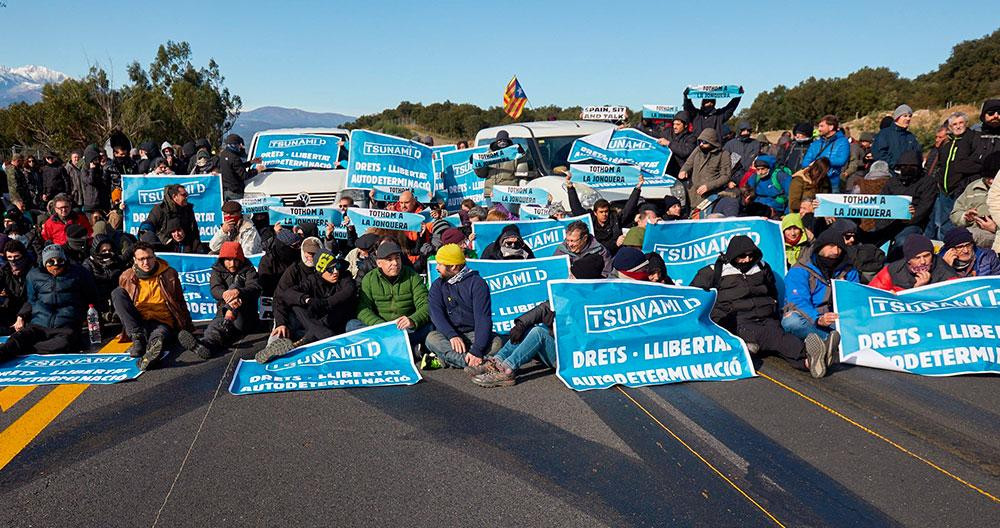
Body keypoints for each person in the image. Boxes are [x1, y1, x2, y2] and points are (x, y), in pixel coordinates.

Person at [690, 235, 828, 378]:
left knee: (780, 337)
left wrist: (774, 309)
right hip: (735, 319)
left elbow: (771, 290)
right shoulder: (714, 271)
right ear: (732, 255)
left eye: (750, 256)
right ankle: (749, 346)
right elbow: (694, 296)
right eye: (742, 256)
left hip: (765, 316)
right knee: (769, 337)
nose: (747, 260)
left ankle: (808, 361)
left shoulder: (761, 266)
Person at [470, 253, 606, 388]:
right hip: (562, 347)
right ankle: (497, 360)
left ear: (583, 280)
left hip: (572, 358)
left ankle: (506, 370)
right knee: (528, 327)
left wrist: (556, 322)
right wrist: (521, 323)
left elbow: (576, 334)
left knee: (539, 332)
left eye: (572, 276)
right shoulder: (572, 291)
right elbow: (545, 307)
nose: (568, 278)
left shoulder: (597, 301)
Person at [112, 242, 198, 370]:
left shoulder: (169, 274)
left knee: (159, 336)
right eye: (141, 259)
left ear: (155, 257)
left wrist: (187, 327)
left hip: (162, 321)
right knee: (117, 293)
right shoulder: (127, 276)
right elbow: (124, 307)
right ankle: (138, 341)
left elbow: (180, 301)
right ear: (135, 260)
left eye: (149, 258)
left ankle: (152, 354)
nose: (146, 263)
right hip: (139, 321)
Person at [782, 229, 858, 357]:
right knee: (791, 322)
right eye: (831, 246)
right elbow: (797, 302)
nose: (836, 252)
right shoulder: (800, 270)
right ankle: (830, 341)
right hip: (810, 317)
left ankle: (828, 343)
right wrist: (818, 319)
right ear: (820, 247)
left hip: (836, 317)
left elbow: (856, 299)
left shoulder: (848, 270)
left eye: (840, 247)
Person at [348, 241, 432, 355]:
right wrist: (380, 326)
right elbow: (363, 309)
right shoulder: (369, 279)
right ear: (379, 263)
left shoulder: (413, 276)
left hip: (406, 329)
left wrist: (412, 320)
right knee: (352, 325)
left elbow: (426, 304)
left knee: (431, 326)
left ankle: (386, 349)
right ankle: (408, 350)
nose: (395, 263)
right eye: (389, 259)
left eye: (397, 258)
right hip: (381, 331)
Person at [425, 244, 501, 370]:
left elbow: (483, 319)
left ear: (453, 266)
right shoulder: (437, 285)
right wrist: (451, 335)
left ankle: (449, 360)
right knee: (431, 339)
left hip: (473, 334)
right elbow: (436, 315)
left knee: (497, 343)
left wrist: (477, 349)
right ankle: (476, 364)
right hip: (449, 336)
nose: (437, 268)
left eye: (440, 264)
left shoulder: (477, 283)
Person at [191, 241, 262, 359]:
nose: (232, 263)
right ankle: (205, 345)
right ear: (223, 260)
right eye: (228, 260)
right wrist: (225, 294)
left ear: (241, 259)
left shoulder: (249, 269)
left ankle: (227, 321)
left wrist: (238, 292)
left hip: (245, 317)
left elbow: (255, 287)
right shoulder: (217, 270)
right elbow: (215, 289)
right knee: (216, 329)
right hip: (224, 314)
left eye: (235, 260)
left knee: (235, 287)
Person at [926, 112, 982, 239]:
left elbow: (978, 163)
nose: (958, 126)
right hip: (945, 191)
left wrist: (961, 170)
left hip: (962, 190)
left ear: (966, 124)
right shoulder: (947, 146)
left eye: (961, 123)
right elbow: (941, 166)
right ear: (950, 128)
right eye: (954, 124)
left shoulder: (974, 139)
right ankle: (945, 251)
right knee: (943, 224)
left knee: (960, 223)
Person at [871, 151, 936, 249]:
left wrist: (912, 215)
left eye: (912, 166)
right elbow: (882, 203)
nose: (908, 169)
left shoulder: (927, 182)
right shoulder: (892, 182)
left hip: (912, 223)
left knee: (902, 242)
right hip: (889, 221)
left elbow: (925, 207)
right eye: (904, 166)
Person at [567, 172, 642, 255]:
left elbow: (629, 209)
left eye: (606, 211)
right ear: (595, 213)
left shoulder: (615, 219)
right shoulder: (590, 220)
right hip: (592, 255)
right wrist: (570, 188)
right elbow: (576, 209)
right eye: (601, 212)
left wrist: (637, 188)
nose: (604, 214)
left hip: (613, 254)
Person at [869, 234, 957, 292]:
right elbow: (871, 294)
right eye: (917, 258)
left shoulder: (946, 273)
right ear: (908, 260)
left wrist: (921, 290)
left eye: (927, 256)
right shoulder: (893, 270)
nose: (923, 262)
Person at [949, 157, 997, 248]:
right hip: (971, 233)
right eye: (987, 177)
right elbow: (955, 213)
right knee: (953, 237)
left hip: (994, 237)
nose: (991, 181)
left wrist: (994, 228)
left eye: (994, 178)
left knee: (967, 237)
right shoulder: (973, 187)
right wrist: (965, 217)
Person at [679, 128, 730, 210]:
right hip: (693, 194)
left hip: (710, 196)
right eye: (700, 141)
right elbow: (688, 163)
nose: (701, 144)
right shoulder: (697, 150)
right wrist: (683, 170)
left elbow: (726, 176)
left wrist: (709, 186)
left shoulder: (723, 154)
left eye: (705, 142)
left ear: (712, 142)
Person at [143, 184, 204, 253]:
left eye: (187, 194)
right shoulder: (159, 209)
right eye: (184, 195)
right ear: (175, 197)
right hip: (163, 247)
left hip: (186, 248)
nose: (187, 197)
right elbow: (148, 226)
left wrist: (198, 249)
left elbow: (194, 232)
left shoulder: (188, 209)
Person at [83, 234, 126, 322]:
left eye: (109, 250)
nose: (107, 253)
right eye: (104, 251)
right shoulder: (88, 264)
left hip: (115, 299)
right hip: (97, 301)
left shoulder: (116, 261)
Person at [801, 115, 850, 192]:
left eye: (822, 126)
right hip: (815, 181)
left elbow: (841, 160)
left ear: (831, 127)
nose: (819, 129)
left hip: (833, 182)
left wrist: (821, 162)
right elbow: (805, 162)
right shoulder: (815, 143)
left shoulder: (842, 142)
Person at [474, 130, 525, 197]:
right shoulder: (489, 155)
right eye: (500, 140)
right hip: (490, 192)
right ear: (496, 142)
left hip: (507, 193)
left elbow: (523, 168)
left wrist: (522, 153)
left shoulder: (514, 154)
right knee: (492, 208)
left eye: (504, 140)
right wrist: (478, 165)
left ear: (508, 142)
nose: (502, 142)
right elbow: (482, 174)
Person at [0, 239, 32, 333]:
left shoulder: (34, 271)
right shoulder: (5, 271)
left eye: (16, 257)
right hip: (11, 309)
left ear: (23, 256)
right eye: (9, 257)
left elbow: (35, 297)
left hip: (30, 311)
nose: (13, 261)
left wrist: (22, 315)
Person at [218, 134, 263, 200]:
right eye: (239, 144)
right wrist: (257, 170)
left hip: (225, 191)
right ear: (234, 145)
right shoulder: (234, 158)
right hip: (235, 192)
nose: (241, 146)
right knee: (237, 209)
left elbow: (235, 167)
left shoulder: (223, 154)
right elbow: (244, 175)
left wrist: (251, 162)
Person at [660, 111, 696, 176]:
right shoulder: (667, 133)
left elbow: (685, 152)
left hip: (682, 172)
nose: (674, 127)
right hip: (667, 171)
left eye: (678, 124)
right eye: (674, 124)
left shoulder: (691, 137)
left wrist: (669, 144)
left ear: (685, 125)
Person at [81, 147, 111, 213]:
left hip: (102, 203)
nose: (97, 161)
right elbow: (90, 181)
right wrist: (92, 170)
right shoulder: (85, 170)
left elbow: (104, 183)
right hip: (91, 203)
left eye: (98, 159)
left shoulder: (100, 169)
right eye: (95, 159)